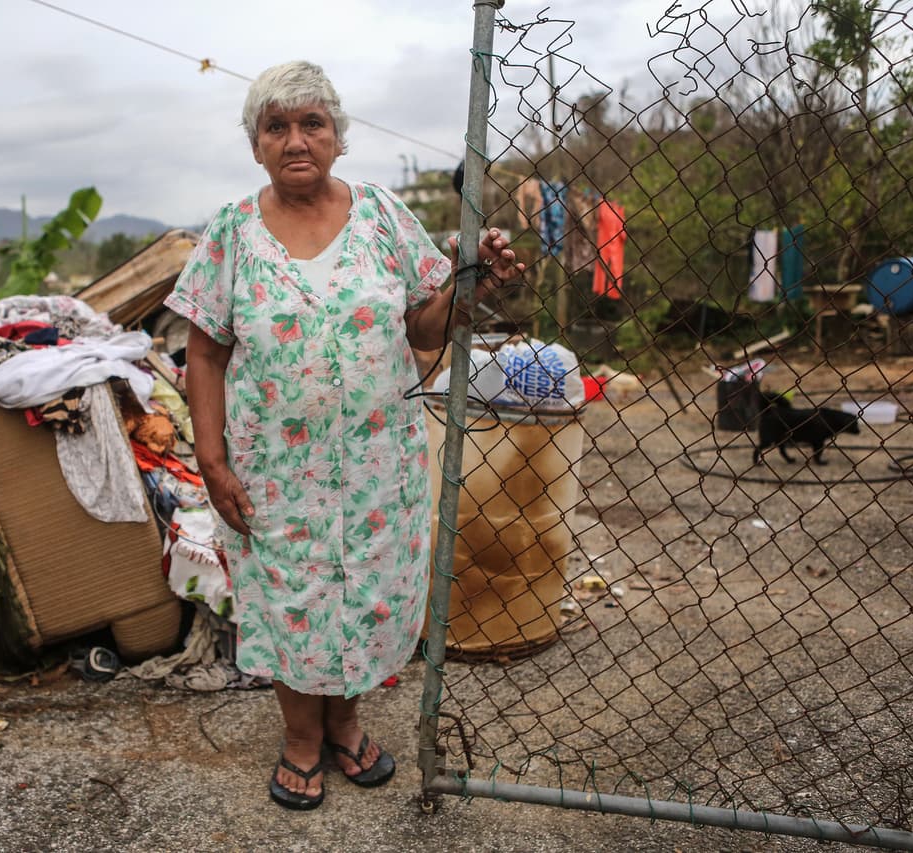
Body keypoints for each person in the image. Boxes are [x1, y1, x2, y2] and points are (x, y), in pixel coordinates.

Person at [164, 60, 524, 810]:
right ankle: (301, 740)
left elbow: (423, 325)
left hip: (376, 462)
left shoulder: (383, 216)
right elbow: (204, 349)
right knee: (292, 595)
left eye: (312, 123)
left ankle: (348, 724)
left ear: (337, 136)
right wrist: (211, 456)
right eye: (277, 126)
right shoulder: (232, 230)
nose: (296, 140)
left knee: (363, 590)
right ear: (256, 144)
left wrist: (468, 286)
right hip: (273, 470)